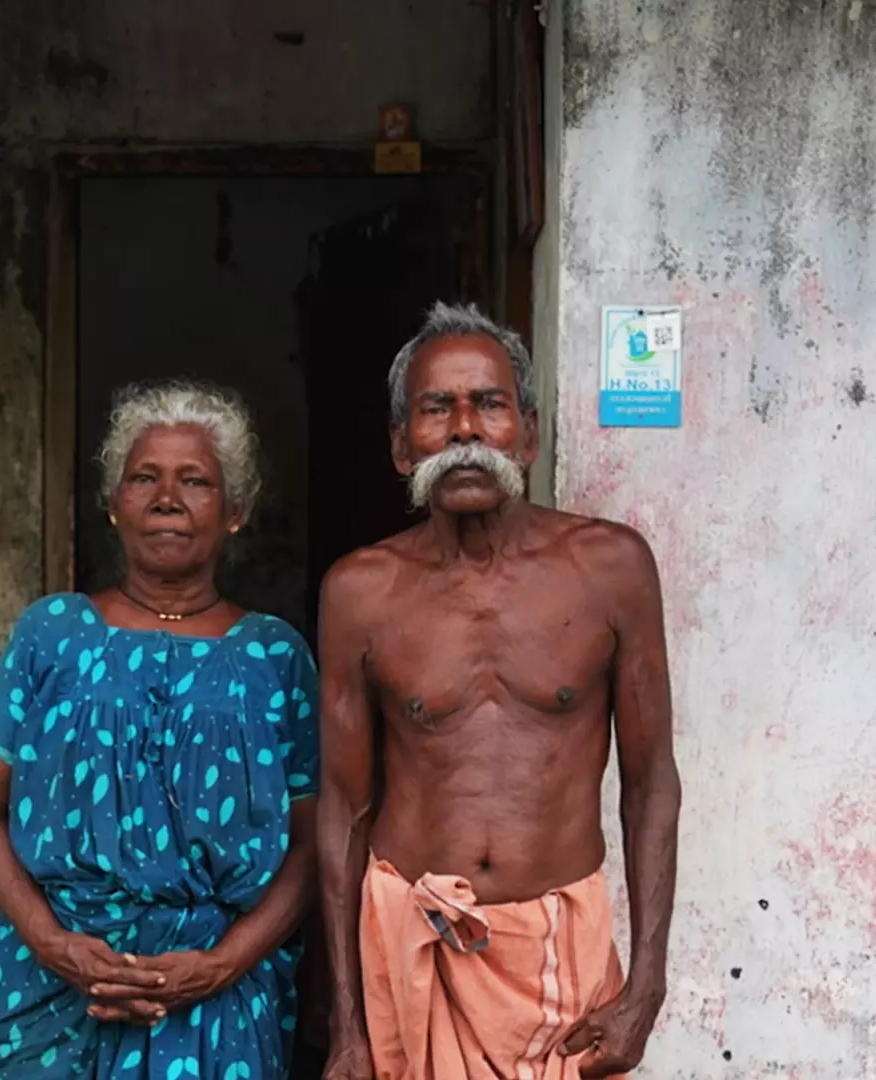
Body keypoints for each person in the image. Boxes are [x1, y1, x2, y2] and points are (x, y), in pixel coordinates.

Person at [316, 302, 681, 1080]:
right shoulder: (360, 592)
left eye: (489, 403)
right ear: (398, 444)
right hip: (413, 955)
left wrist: (646, 984)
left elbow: (650, 784)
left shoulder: (610, 568)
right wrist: (345, 1021)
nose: (465, 431)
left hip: (559, 963)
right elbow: (342, 809)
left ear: (531, 432)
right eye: (435, 408)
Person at [0, 380, 322, 1080]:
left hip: (217, 993)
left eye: (196, 481)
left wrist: (221, 965)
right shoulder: (51, 633)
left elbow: (312, 845)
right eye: (144, 478)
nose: (168, 498)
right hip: (54, 986)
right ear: (112, 503)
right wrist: (56, 945)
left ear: (235, 512)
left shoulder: (274, 656)